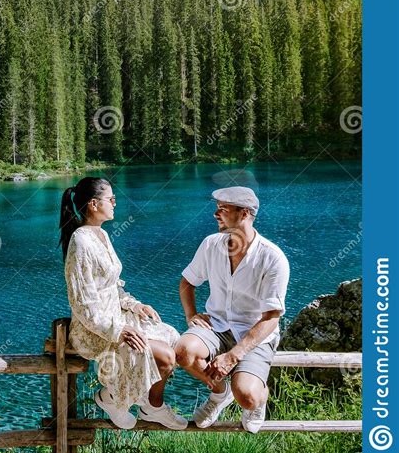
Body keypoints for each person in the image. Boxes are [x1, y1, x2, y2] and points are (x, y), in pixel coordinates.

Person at [60, 176, 187, 430]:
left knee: (173, 337)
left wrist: (135, 305)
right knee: (163, 356)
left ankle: (148, 406)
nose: (115, 203)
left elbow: (111, 286)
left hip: (116, 318)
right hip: (94, 331)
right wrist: (120, 331)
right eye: (111, 199)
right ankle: (113, 398)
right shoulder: (81, 241)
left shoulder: (102, 235)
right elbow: (83, 304)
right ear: (94, 204)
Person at [175, 186, 290, 433]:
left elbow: (271, 318)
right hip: (216, 325)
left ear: (245, 213)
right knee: (184, 351)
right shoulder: (210, 245)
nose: (216, 215)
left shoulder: (273, 258)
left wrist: (232, 356)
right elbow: (187, 282)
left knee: (247, 395)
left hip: (255, 335)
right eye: (217, 209)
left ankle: (258, 399)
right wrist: (191, 315)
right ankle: (219, 394)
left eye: (223, 209)